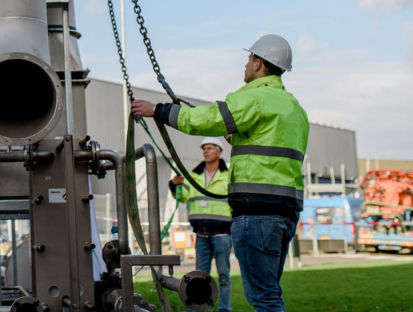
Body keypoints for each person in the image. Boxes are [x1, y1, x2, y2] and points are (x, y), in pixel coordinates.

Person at [132, 34, 309, 312]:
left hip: (256, 213)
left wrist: (158, 110)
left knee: (264, 298)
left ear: (259, 64)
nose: (246, 64)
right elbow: (271, 148)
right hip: (285, 213)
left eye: (249, 58)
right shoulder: (294, 108)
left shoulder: (253, 97)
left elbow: (207, 119)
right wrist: (236, 139)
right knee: (270, 291)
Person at [170, 137, 232, 312]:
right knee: (199, 277)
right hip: (201, 234)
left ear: (219, 152)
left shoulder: (228, 175)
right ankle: (197, 309)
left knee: (223, 276)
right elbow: (183, 198)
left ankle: (225, 309)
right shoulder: (194, 175)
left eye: (210, 148)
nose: (205, 151)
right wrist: (175, 186)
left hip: (222, 234)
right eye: (204, 148)